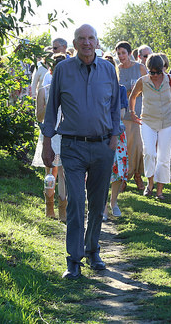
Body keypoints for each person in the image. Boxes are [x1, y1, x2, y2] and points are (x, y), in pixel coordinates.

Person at [42, 24, 121, 280]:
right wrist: (46, 142)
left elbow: (115, 107)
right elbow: (52, 107)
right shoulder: (63, 69)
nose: (86, 43)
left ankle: (93, 250)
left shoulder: (109, 69)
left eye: (91, 38)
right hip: (73, 146)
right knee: (76, 201)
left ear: (97, 43)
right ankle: (73, 260)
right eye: (81, 39)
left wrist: (113, 138)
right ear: (74, 44)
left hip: (102, 146)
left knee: (97, 202)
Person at [129, 53, 171, 200]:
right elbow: (132, 96)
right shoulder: (143, 81)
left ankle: (160, 190)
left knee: (164, 157)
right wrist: (132, 112)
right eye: (151, 72)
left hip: (167, 122)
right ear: (147, 70)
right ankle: (149, 183)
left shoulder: (169, 80)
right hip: (148, 121)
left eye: (158, 72)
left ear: (163, 69)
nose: (154, 75)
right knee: (150, 152)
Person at [31, 53, 67, 220]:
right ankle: (49, 208)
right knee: (50, 171)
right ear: (51, 71)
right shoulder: (43, 91)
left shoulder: (69, 90)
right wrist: (48, 105)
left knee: (63, 172)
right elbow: (39, 117)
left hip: (65, 133)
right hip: (49, 135)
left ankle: (63, 211)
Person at [115, 41, 147, 191]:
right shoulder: (117, 70)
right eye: (119, 53)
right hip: (123, 114)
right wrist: (128, 93)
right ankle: (123, 177)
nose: (121, 56)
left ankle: (138, 175)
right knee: (125, 148)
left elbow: (148, 87)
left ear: (129, 53)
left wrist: (131, 93)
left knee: (139, 147)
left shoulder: (139, 67)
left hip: (139, 112)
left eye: (123, 53)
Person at [103, 53, 129, 220]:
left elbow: (121, 114)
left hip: (117, 133)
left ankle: (114, 203)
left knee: (118, 170)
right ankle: (103, 207)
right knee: (100, 171)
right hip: (98, 133)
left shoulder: (120, 89)